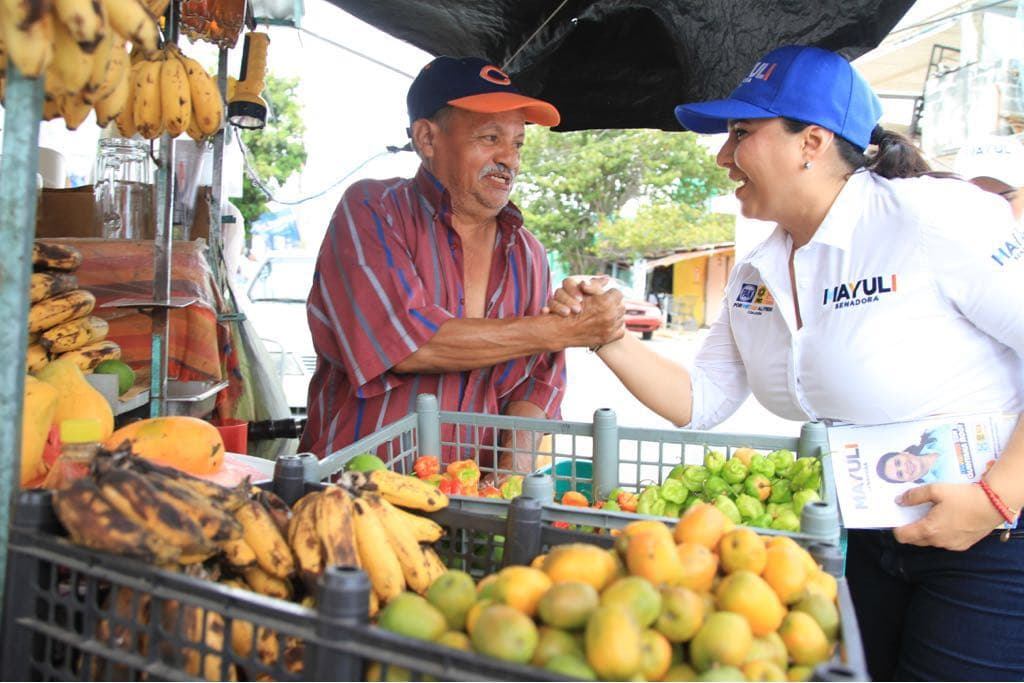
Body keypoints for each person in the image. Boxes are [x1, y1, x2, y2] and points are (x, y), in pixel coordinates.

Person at [547, 45, 1024, 681]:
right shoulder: (758, 269)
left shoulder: (933, 219)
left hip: (994, 537)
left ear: (813, 142)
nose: (722, 157)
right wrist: (606, 336)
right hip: (870, 536)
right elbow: (704, 397)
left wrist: (997, 498)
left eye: (741, 133)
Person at [300, 56, 625, 474]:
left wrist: (511, 477)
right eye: (490, 137)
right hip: (358, 497)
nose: (509, 158)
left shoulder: (528, 253)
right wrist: (563, 330)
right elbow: (410, 344)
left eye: (518, 143)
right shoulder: (372, 210)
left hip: (473, 504)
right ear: (427, 138)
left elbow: (535, 381)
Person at [876, 426, 959, 485]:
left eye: (898, 462)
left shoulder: (935, 433)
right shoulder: (943, 488)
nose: (905, 468)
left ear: (904, 453)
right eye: (900, 474)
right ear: (909, 480)